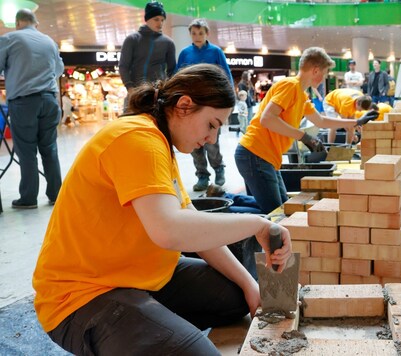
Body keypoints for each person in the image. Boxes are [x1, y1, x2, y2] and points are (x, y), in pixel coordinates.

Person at [32, 64, 293, 355]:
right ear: (184, 106)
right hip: (83, 295)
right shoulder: (137, 138)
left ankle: (148, 320)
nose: (211, 139)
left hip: (137, 275)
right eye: (211, 124)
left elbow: (191, 223)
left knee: (236, 296)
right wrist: (256, 224)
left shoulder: (158, 142)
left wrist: (249, 286)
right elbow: (169, 230)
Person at [235, 47, 377, 214]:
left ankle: (227, 198)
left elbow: (321, 121)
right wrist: (304, 137)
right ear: (315, 70)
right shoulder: (290, 86)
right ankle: (225, 208)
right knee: (276, 214)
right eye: (324, 73)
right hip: (255, 153)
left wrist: (356, 121)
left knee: (283, 206)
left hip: (266, 156)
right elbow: (267, 119)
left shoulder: (301, 95)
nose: (324, 77)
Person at [0, 9, 64, 209]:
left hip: (24, 101)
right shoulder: (49, 41)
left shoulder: (9, 38)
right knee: (49, 148)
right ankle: (56, 194)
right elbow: (59, 70)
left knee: (26, 150)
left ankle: (28, 198)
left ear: (18, 22)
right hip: (50, 100)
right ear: (35, 23)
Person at [177, 18, 233, 189]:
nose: (197, 36)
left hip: (211, 103)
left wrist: (228, 100)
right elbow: (178, 76)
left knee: (212, 142)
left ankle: (219, 169)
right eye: (194, 33)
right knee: (194, 143)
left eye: (200, 33)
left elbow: (226, 76)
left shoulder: (216, 52)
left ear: (207, 33)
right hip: (192, 105)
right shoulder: (185, 53)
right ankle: (202, 175)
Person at [119, 1, 176, 94]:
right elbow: (123, 66)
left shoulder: (168, 43)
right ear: (147, 19)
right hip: (135, 94)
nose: (160, 23)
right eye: (156, 19)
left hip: (158, 95)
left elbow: (172, 71)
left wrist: (166, 90)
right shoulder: (132, 39)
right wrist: (130, 88)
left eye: (162, 20)